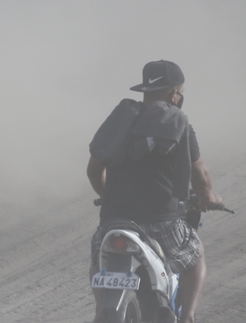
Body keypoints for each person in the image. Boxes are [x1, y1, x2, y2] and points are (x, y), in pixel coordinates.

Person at [86, 60, 222, 323]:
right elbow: (201, 176)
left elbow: (93, 171)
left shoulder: (119, 121)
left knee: (98, 257)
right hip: (163, 224)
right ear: (174, 94)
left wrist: (108, 198)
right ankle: (189, 316)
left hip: (114, 222)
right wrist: (208, 198)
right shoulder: (179, 124)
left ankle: (101, 307)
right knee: (196, 255)